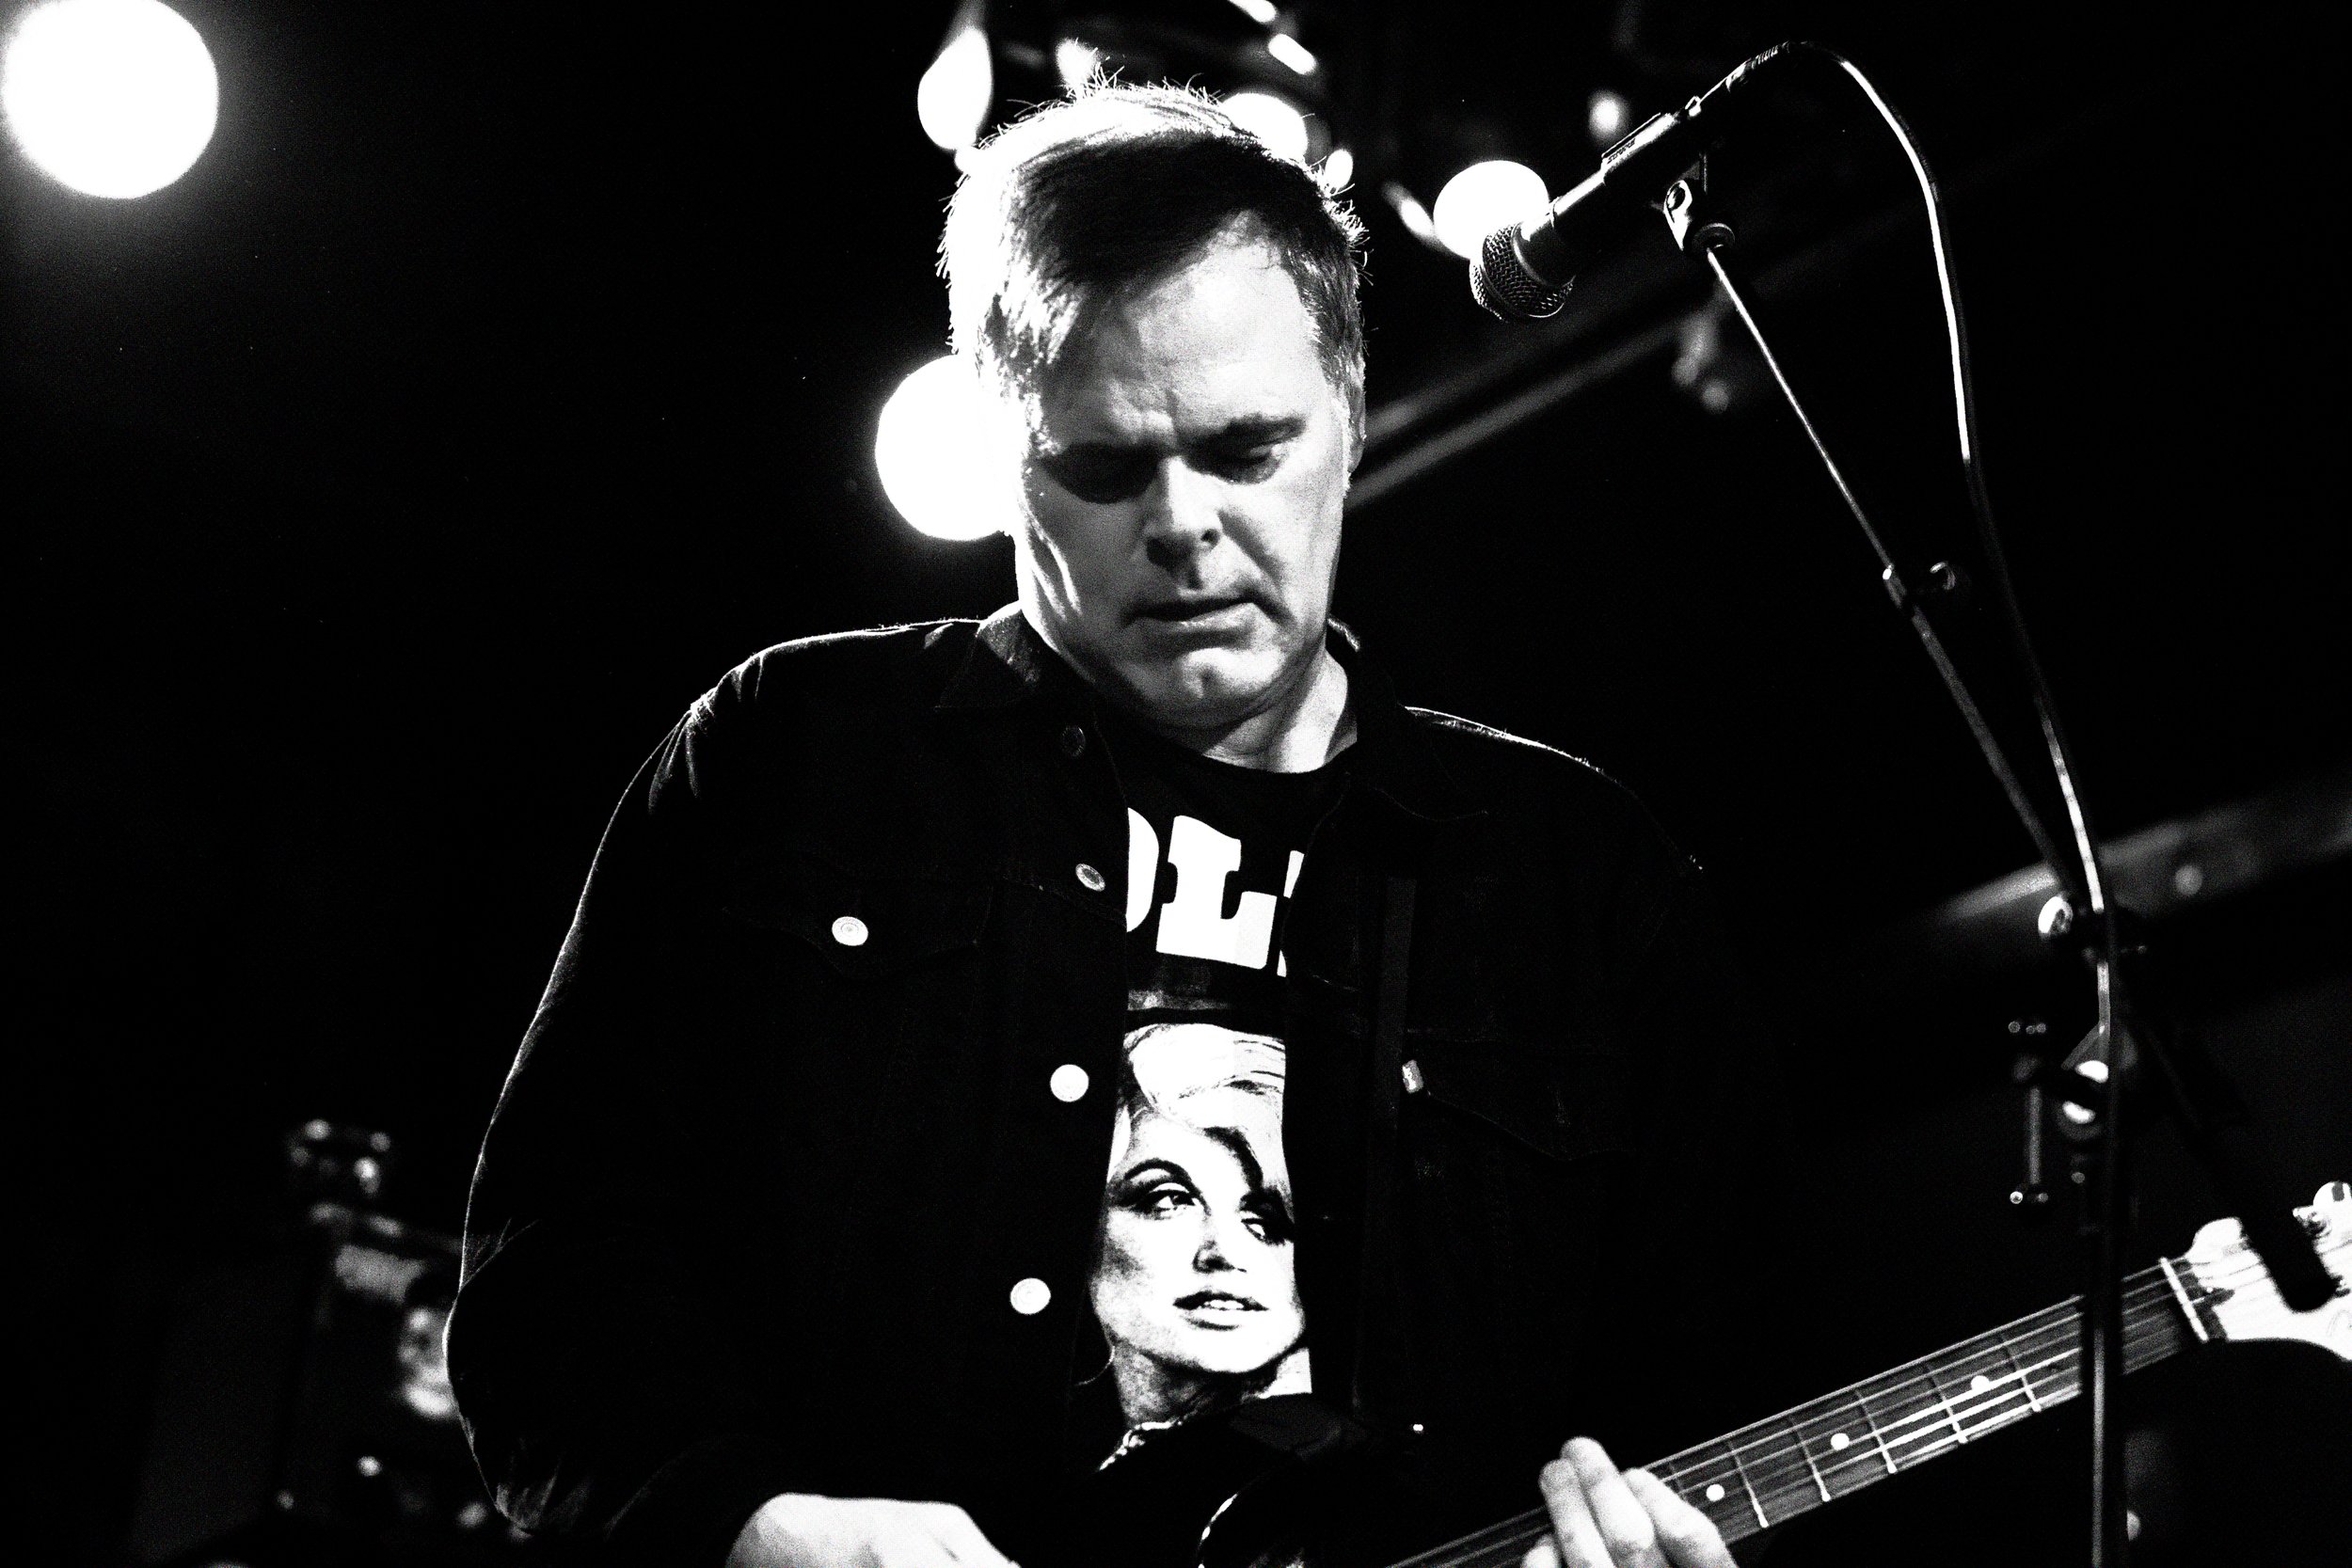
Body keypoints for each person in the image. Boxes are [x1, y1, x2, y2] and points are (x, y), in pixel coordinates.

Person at [450, 81, 1774, 1568]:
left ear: (1349, 418)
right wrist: (751, 1528)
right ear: (1002, 454)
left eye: (1246, 448)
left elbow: (1714, 1364)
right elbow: (549, 1291)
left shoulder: (1575, 876)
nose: (1185, 523)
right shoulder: (794, 758)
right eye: (1103, 466)